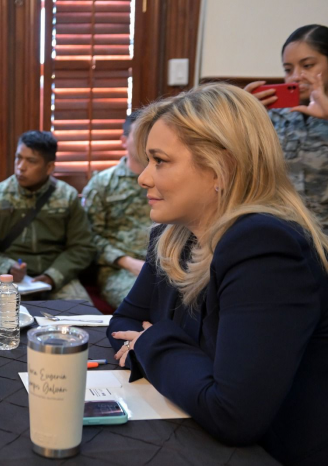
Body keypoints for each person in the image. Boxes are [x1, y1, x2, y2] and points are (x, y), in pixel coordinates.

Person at [106, 83, 328, 465]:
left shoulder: (265, 248)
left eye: (160, 161)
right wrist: (193, 368)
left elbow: (232, 414)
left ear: (220, 168)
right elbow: (122, 322)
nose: (143, 177)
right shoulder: (173, 234)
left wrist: (151, 341)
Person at [0, 131, 95, 301]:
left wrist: (53, 276)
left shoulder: (68, 197)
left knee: (81, 312)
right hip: (9, 278)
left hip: (56, 275)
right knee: (0, 312)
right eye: (18, 158)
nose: (21, 167)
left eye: (31, 161)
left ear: (49, 167)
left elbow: (82, 247)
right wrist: (6, 267)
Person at [245, 24, 328, 231]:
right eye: (288, 69)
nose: (296, 76)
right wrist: (243, 114)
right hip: (284, 232)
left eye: (307, 65)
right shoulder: (273, 116)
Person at [81, 110, 151, 308]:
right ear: (124, 141)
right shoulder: (102, 184)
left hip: (165, 265)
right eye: (140, 137)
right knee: (145, 303)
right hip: (120, 269)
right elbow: (90, 237)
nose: (146, 143)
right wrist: (127, 262)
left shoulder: (167, 181)